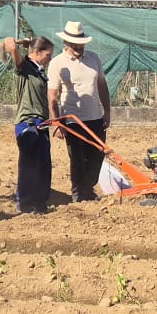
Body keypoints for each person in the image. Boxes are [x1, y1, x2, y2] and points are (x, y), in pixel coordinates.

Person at [48, 21, 111, 202]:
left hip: (95, 117)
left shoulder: (94, 59)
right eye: (75, 44)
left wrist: (107, 111)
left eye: (81, 44)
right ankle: (79, 192)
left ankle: (88, 188)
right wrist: (57, 122)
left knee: (97, 155)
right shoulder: (57, 64)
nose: (78, 47)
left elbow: (102, 85)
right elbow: (52, 95)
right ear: (66, 43)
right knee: (77, 158)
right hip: (73, 120)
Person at [2, 34, 55, 213]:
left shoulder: (39, 70)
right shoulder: (24, 67)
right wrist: (16, 43)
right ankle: (25, 203)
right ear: (38, 52)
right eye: (48, 54)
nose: (50, 58)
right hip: (28, 122)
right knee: (29, 164)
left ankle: (40, 202)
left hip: (42, 122)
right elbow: (11, 47)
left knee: (43, 164)